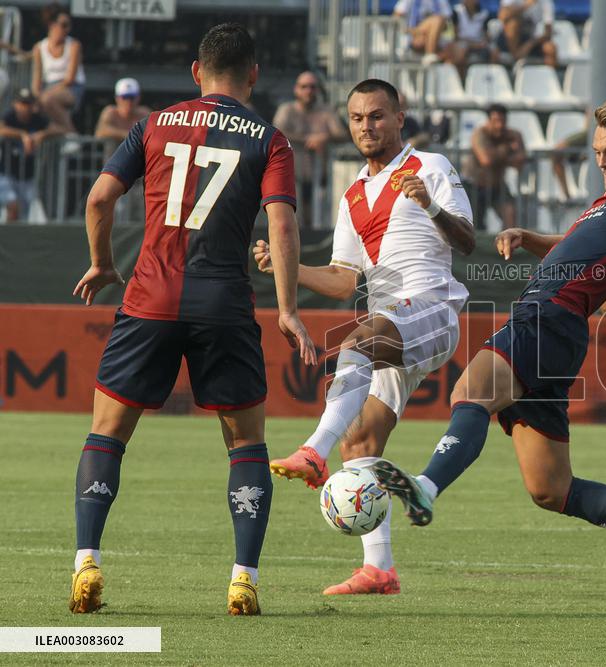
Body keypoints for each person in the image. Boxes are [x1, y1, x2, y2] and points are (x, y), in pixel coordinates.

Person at [368, 99, 606, 599]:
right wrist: (529, 237)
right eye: (598, 151)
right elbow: (579, 246)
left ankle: (426, 488)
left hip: (548, 315)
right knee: (551, 490)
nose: (602, 161)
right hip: (558, 330)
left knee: (470, 392)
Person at [67, 22, 316, 617]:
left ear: (196, 72)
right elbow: (280, 224)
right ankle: (243, 579)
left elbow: (99, 197)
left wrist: (103, 264)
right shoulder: (268, 139)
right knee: (247, 441)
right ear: (253, 74)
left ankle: (86, 563)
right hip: (224, 303)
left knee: (108, 432)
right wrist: (286, 309)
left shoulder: (153, 124)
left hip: (149, 296)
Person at [262, 79, 475, 596]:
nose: (366, 126)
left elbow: (469, 241)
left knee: (355, 343)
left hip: (431, 310)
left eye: (377, 116)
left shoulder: (430, 167)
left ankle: (312, 449)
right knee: (359, 440)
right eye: (357, 118)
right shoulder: (353, 192)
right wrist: (286, 266)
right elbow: (342, 279)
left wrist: (430, 206)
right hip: (392, 322)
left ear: (399, 116)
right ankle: (379, 569)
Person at [272, 71, 349, 228]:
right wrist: (309, 139)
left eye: (312, 87)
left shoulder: (326, 111)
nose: (308, 91)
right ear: (296, 89)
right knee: (291, 222)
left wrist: (325, 137)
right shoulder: (287, 110)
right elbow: (277, 132)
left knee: (319, 221)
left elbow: (342, 134)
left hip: (319, 177)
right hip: (291, 176)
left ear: (318, 90)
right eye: (304, 87)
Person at [463, 103, 525, 230]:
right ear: (489, 121)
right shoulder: (479, 134)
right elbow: (486, 160)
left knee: (510, 215)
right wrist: (506, 148)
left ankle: (508, 245)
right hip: (475, 187)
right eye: (496, 121)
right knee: (476, 226)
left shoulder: (513, 135)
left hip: (497, 186)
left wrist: (497, 156)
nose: (500, 125)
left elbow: (520, 159)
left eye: (503, 121)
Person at [31, 3, 84, 133]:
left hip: (71, 88)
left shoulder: (74, 45)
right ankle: (64, 131)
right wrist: (38, 95)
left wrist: (45, 94)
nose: (67, 29)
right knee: (34, 107)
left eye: (69, 26)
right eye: (64, 25)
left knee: (48, 100)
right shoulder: (39, 48)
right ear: (52, 25)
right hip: (48, 88)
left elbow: (70, 78)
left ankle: (71, 134)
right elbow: (36, 80)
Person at [0, 88, 52, 222]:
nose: (25, 108)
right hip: (6, 173)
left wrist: (43, 134)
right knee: (12, 205)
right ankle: (7, 239)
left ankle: (12, 240)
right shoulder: (9, 116)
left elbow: (59, 128)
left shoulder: (37, 119)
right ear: (15, 104)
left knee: (23, 215)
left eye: (28, 104)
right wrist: (23, 135)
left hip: (28, 176)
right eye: (22, 103)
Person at [442, 0, 497, 75]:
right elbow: (456, 37)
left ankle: (490, 76)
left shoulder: (484, 14)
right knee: (461, 52)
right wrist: (471, 44)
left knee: (494, 51)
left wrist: (483, 42)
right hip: (462, 42)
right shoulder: (456, 12)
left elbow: (486, 35)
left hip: (479, 42)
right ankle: (461, 78)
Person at [497, 0, 557, 67]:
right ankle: (515, 59)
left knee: (550, 48)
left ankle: (549, 75)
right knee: (513, 24)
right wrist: (526, 5)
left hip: (531, 40)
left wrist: (528, 45)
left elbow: (548, 33)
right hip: (507, 39)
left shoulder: (546, 2)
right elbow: (503, 16)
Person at [394, 0, 452, 64]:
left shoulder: (441, 1)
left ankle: (431, 56)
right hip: (412, 36)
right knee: (437, 20)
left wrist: (428, 31)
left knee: (455, 51)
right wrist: (412, 31)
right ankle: (430, 53)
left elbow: (447, 25)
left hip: (435, 40)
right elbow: (396, 20)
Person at [94, 78, 151, 144]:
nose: (128, 101)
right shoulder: (111, 112)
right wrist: (129, 135)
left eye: (132, 97)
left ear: (138, 98)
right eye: (125, 97)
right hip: (113, 153)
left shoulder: (144, 114)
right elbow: (101, 132)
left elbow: (154, 133)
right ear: (117, 98)